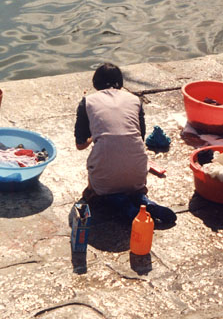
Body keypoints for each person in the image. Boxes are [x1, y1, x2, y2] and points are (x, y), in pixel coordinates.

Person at [74, 63, 175, 225]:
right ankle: (143, 200)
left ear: (95, 83)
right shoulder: (135, 100)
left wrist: (96, 134)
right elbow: (139, 137)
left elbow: (80, 145)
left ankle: (122, 204)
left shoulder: (87, 102)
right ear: (120, 82)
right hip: (137, 175)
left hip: (104, 180)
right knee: (129, 175)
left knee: (93, 192)